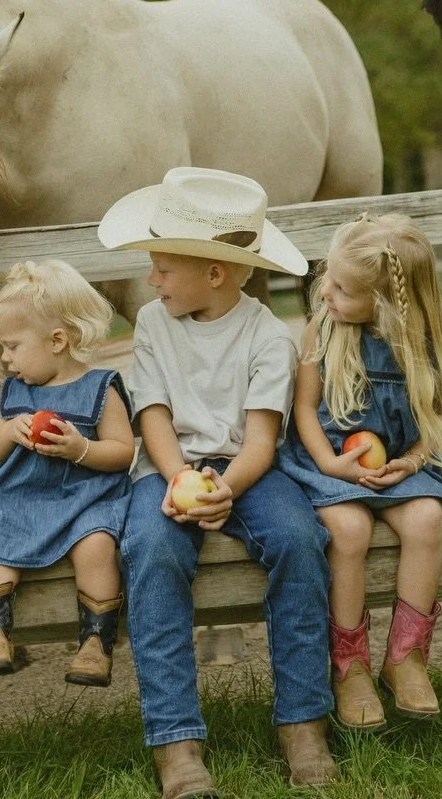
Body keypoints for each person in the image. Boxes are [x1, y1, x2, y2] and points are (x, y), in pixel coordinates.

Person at [98, 167, 337, 798]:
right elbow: (151, 413)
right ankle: (177, 742)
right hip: (168, 468)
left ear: (216, 271)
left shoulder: (266, 335)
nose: (151, 280)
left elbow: (261, 442)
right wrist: (180, 479)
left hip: (251, 474)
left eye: (163, 267)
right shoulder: (152, 322)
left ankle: (303, 725)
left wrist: (224, 488)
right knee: (150, 550)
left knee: (298, 540)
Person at [280, 213, 442, 728]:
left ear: (387, 303)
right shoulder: (322, 329)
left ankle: (406, 658)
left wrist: (412, 460)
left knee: (426, 521)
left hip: (401, 460)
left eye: (342, 289)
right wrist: (329, 464)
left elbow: (436, 416)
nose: (326, 295)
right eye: (328, 280)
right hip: (330, 461)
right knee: (348, 529)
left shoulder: (438, 339)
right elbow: (304, 411)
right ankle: (351, 667)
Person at [0, 259, 135, 687]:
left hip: (87, 502)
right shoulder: (17, 392)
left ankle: (96, 642)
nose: (4, 358)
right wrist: (9, 429)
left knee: (97, 548)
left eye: (13, 346)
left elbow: (122, 451)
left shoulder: (100, 387)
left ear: (56, 340)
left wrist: (81, 449)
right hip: (24, 502)